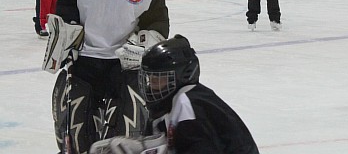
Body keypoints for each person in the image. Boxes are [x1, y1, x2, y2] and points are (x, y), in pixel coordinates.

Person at [42, 0, 170, 154]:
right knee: (76, 135)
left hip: (124, 67)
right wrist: (68, 34)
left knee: (126, 135)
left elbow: (158, 24)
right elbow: (66, 7)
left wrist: (140, 45)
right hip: (84, 61)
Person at [89, 34, 260, 154]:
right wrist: (143, 147)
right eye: (150, 78)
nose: (152, 85)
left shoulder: (188, 103)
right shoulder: (170, 107)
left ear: (182, 76)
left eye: (159, 79)